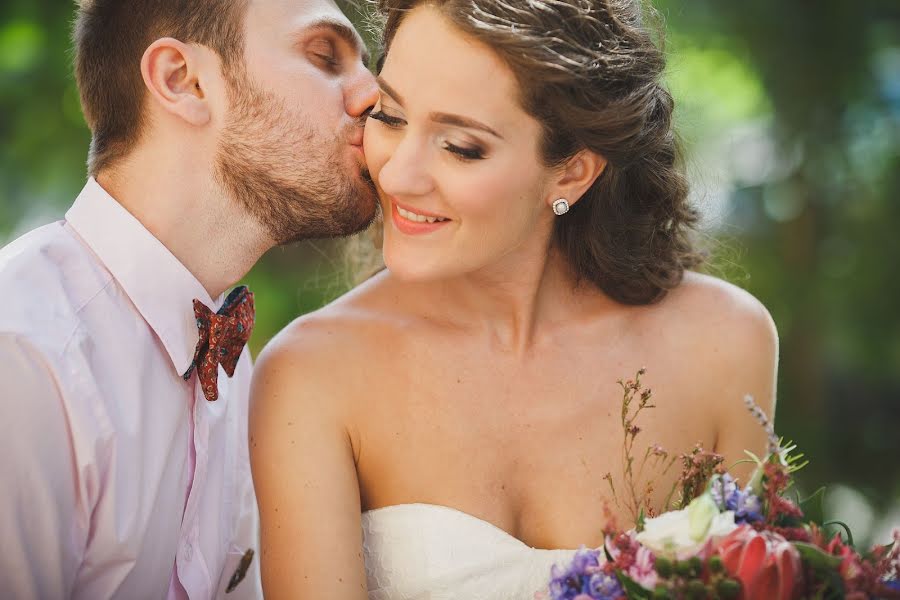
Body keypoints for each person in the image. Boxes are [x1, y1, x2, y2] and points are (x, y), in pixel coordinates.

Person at [250, 0, 779, 598]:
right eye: (390, 115)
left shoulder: (724, 342)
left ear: (572, 173)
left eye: (461, 147)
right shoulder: (311, 375)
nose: (397, 175)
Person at [0, 0, 377, 597]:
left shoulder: (236, 370)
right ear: (183, 80)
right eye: (325, 57)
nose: (373, 96)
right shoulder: (20, 354)